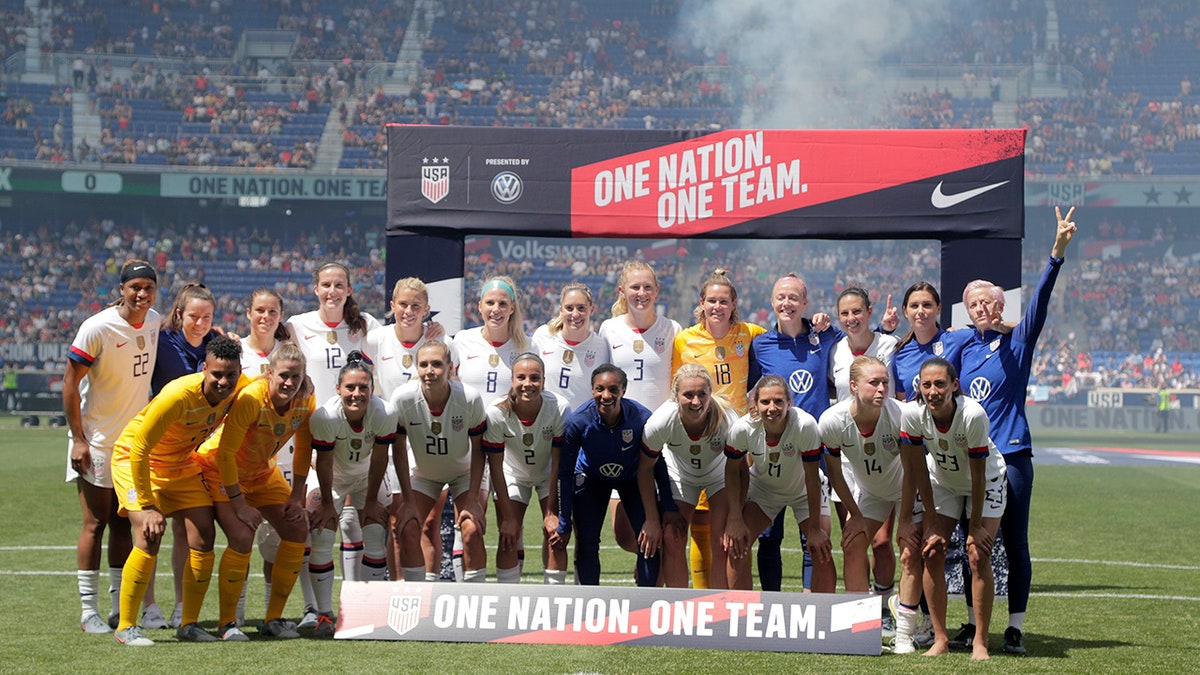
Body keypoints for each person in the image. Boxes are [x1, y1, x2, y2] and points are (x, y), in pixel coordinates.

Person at [954, 206, 1078, 655]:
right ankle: (973, 623)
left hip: (1014, 455)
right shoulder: (962, 349)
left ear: (1001, 303)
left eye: (987, 301)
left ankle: (1016, 628)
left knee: (1014, 543)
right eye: (973, 304)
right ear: (966, 311)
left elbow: (1041, 302)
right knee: (974, 542)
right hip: (973, 459)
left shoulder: (1018, 342)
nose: (981, 308)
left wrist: (1056, 254)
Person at [108, 336, 249, 647]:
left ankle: (189, 623)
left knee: (203, 535)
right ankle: (127, 626)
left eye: (231, 375)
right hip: (135, 458)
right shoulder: (177, 394)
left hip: (181, 463)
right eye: (217, 375)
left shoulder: (241, 385)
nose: (224, 382)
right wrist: (146, 505)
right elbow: (140, 448)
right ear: (204, 369)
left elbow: (267, 387)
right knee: (148, 534)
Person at [64, 260, 161, 635]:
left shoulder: (153, 321)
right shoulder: (97, 327)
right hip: (97, 442)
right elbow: (70, 383)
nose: (141, 294)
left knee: (124, 522)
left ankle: (120, 606)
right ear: (121, 288)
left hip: (133, 446)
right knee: (95, 522)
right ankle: (89, 611)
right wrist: (78, 438)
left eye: (148, 288)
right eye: (134, 287)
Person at [194, 341, 315, 640]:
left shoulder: (306, 402)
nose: (289, 382)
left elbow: (303, 449)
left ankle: (273, 620)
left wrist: (297, 495)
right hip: (220, 468)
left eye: (296, 377)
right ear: (270, 373)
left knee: (298, 528)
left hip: (261, 472)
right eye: (284, 375)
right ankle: (226, 624)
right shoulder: (251, 399)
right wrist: (238, 504)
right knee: (242, 535)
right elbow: (225, 454)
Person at [287, 262, 381, 627]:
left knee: (362, 526)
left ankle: (359, 607)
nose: (332, 291)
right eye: (326, 284)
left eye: (339, 285)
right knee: (316, 523)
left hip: (359, 439)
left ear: (349, 289)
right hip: (314, 439)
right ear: (315, 289)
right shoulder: (297, 325)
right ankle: (314, 608)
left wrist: (433, 329)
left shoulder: (366, 326)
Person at [818, 356, 930, 653]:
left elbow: (913, 472)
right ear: (853, 386)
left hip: (911, 489)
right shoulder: (831, 420)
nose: (882, 389)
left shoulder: (903, 415)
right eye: (874, 383)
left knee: (908, 549)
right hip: (872, 495)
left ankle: (904, 635)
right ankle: (859, 628)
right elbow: (834, 472)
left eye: (885, 382)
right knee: (853, 542)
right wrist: (854, 514)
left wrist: (905, 518)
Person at [902, 357, 1007, 661]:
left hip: (984, 482)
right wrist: (931, 520)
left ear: (954, 386)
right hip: (944, 483)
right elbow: (917, 468)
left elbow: (977, 474)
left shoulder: (972, 414)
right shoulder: (913, 414)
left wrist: (974, 526)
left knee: (977, 553)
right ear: (919, 387)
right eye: (926, 385)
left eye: (940, 384)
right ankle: (940, 637)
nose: (933, 391)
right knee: (931, 550)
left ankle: (981, 641)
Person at [749, 274, 840, 592]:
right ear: (772, 302)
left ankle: (810, 605)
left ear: (805, 302)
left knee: (813, 536)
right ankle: (771, 604)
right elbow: (752, 396)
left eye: (793, 297)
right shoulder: (760, 344)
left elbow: (859, 346)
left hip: (815, 453)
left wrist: (829, 323)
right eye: (780, 297)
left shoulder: (824, 335)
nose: (786, 303)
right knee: (769, 537)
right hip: (772, 451)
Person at [673, 268, 763, 588]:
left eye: (723, 301)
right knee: (701, 521)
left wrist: (813, 324)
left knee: (728, 522)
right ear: (702, 302)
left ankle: (724, 597)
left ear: (734, 303)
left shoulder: (751, 333)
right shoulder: (684, 339)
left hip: (737, 441)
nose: (717, 307)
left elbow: (783, 337)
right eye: (711, 301)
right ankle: (702, 596)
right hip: (701, 436)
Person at [387, 340, 502, 582]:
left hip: (464, 473)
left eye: (437, 364)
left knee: (470, 528)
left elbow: (480, 448)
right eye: (424, 364)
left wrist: (472, 497)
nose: (430, 371)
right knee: (407, 526)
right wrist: (407, 499)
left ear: (450, 367)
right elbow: (397, 449)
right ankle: (416, 601)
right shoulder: (403, 398)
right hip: (425, 474)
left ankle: (474, 603)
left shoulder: (468, 398)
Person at [553, 364, 678, 586]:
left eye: (613, 389)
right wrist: (564, 521)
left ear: (623, 390)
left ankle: (644, 605)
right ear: (592, 390)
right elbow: (565, 473)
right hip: (592, 478)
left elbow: (657, 464)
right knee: (587, 540)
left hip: (632, 478)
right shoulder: (578, 422)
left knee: (647, 539)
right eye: (599, 389)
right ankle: (589, 603)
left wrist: (667, 505)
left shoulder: (641, 418)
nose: (606, 395)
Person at [238, 288, 319, 628]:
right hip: (236, 463)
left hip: (278, 461)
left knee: (291, 535)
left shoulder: (294, 356)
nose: (266, 316)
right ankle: (234, 615)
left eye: (273, 311)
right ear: (248, 313)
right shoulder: (236, 350)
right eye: (260, 310)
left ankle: (299, 610)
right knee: (239, 535)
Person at [597, 261, 682, 578]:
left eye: (648, 287)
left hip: (661, 445)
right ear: (622, 291)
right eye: (635, 287)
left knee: (659, 525)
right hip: (620, 441)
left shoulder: (672, 329)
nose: (641, 293)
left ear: (657, 290)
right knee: (625, 534)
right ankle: (645, 563)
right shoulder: (609, 329)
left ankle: (653, 591)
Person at [307, 351, 397, 637]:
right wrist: (326, 504)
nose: (356, 394)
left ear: (372, 389)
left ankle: (367, 612)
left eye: (363, 388)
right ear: (338, 389)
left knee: (373, 535)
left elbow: (381, 457)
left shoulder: (384, 413)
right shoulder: (325, 416)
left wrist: (370, 501)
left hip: (366, 477)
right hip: (330, 477)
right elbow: (322, 460)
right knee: (321, 535)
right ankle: (323, 613)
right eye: (350, 387)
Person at [830, 286, 900, 628]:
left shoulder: (889, 344)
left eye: (857, 311)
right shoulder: (833, 350)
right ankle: (860, 618)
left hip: (888, 455)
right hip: (849, 460)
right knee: (851, 538)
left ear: (869, 311)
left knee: (883, 540)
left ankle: (885, 606)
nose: (851, 318)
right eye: (844, 313)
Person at [722, 375, 832, 591]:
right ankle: (741, 615)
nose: (772, 408)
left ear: (789, 403)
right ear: (754, 403)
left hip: (804, 491)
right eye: (765, 402)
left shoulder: (805, 425)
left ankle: (821, 618)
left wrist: (814, 529)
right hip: (765, 491)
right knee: (737, 545)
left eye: (779, 401)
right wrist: (735, 517)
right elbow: (732, 470)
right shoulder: (742, 428)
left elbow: (811, 477)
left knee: (821, 549)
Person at [364, 277, 440, 579]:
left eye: (416, 306)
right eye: (403, 305)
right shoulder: (375, 339)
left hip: (429, 439)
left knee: (429, 520)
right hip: (391, 439)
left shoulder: (438, 343)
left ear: (427, 310)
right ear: (392, 305)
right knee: (398, 521)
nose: (408, 311)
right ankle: (398, 592)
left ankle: (431, 593)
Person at [637, 364, 736, 588]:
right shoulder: (660, 421)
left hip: (720, 475)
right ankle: (678, 611)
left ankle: (720, 611)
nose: (696, 402)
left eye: (702, 394)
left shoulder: (729, 421)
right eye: (688, 395)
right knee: (672, 537)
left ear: (711, 394)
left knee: (723, 541)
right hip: (680, 474)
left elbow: (739, 468)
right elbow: (644, 469)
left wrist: (737, 515)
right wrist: (652, 519)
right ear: (675, 396)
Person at [480, 352, 571, 583]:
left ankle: (554, 601)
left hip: (549, 474)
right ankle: (507, 603)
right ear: (512, 380)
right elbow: (496, 466)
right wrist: (509, 518)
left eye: (534, 378)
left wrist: (551, 513)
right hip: (513, 475)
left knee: (555, 534)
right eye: (521, 377)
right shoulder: (497, 412)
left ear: (543, 381)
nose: (527, 384)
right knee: (508, 534)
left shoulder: (559, 407)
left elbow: (558, 461)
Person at [532, 282, 610, 409]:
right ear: (561, 309)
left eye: (581, 308)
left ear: (592, 309)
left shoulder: (601, 346)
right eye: (569, 308)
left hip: (581, 425)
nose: (575, 314)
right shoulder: (543, 335)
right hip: (547, 422)